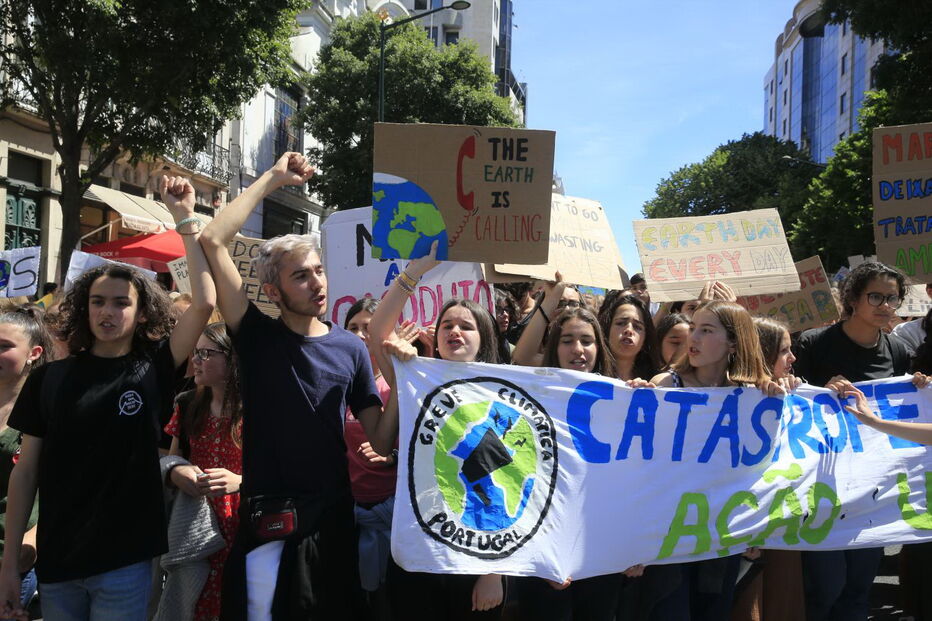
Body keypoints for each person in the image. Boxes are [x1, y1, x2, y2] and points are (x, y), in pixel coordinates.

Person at [0, 175, 215, 621]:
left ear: (141, 314)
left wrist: (184, 217)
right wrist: (9, 562)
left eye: (121, 303)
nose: (108, 312)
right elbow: (26, 475)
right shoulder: (50, 380)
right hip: (58, 562)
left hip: (126, 560)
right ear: (85, 308)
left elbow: (202, 304)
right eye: (98, 302)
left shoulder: (156, 366)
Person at [199, 153, 402, 620]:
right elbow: (213, 238)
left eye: (318, 270)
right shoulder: (253, 335)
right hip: (269, 521)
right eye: (300, 275)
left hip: (332, 523)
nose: (316, 282)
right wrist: (273, 177)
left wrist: (397, 379)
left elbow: (381, 439)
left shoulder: (351, 349)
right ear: (273, 292)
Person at [367, 243, 505, 619]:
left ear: (485, 337)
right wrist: (416, 270)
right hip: (418, 552)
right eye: (447, 325)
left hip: (476, 554)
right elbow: (378, 328)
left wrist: (494, 573)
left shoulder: (506, 394)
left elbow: (515, 477)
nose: (455, 331)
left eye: (466, 325)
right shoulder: (417, 377)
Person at [792, 261, 928, 621]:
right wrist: (824, 390)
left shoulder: (898, 351)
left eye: (893, 299)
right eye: (876, 297)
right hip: (824, 483)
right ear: (852, 298)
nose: (886, 306)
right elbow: (792, 404)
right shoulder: (814, 344)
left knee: (858, 589)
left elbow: (898, 415)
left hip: (874, 486)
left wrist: (916, 388)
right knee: (825, 587)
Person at [514, 303, 649, 620]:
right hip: (545, 558)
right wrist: (543, 557)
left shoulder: (623, 400)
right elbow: (520, 480)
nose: (578, 349)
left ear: (599, 348)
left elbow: (637, 483)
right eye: (567, 340)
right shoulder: (531, 398)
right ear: (554, 348)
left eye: (586, 340)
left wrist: (634, 545)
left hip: (601, 557)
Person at [648, 301, 779, 621]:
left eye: (706, 330)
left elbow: (760, 470)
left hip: (722, 535)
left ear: (733, 342)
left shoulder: (753, 396)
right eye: (693, 328)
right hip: (669, 536)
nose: (693, 338)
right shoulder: (665, 386)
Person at [162, 322, 243, 620]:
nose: (195, 360)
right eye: (195, 352)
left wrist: (241, 482)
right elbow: (172, 461)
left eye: (205, 353)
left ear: (232, 358)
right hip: (195, 526)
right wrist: (177, 473)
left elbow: (280, 473)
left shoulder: (260, 409)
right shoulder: (186, 404)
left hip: (244, 528)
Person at [0, 307, 51, 613]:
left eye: (4, 346)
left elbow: (56, 485)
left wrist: (29, 545)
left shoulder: (47, 410)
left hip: (12, 561)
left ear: (34, 353)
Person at [598, 293, 660, 381]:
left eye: (637, 327)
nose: (629, 330)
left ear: (645, 338)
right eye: (620, 323)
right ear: (607, 330)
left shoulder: (657, 382)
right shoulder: (589, 374)